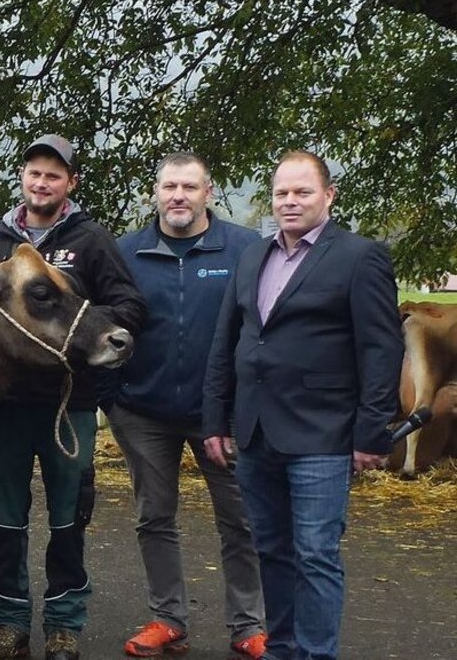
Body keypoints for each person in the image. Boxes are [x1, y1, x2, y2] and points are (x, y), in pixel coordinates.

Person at [203, 151, 403, 660]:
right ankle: (282, 648)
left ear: (329, 196)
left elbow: (381, 350)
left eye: (302, 192)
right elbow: (229, 341)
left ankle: (316, 654)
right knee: (270, 549)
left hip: (323, 434)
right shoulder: (254, 255)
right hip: (255, 432)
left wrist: (371, 433)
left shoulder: (360, 257)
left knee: (315, 555)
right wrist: (215, 419)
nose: (290, 202)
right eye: (281, 193)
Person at [0, 134, 146, 660]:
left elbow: (129, 308)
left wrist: (77, 342)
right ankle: (8, 624)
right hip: (5, 407)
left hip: (69, 405)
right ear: (23, 178)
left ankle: (64, 625)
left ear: (70, 183)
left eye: (53, 175)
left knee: (68, 518)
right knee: (3, 518)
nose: (41, 182)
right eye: (34, 172)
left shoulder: (91, 241)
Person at [113, 153, 266, 659]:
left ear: (209, 191)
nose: (178, 196)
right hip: (142, 411)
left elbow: (263, 329)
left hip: (219, 416)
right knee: (153, 517)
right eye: (169, 186)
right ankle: (167, 618)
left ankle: (249, 625)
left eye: (189, 187)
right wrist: (113, 398)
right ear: (155, 192)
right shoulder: (126, 253)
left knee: (240, 519)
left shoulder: (246, 249)